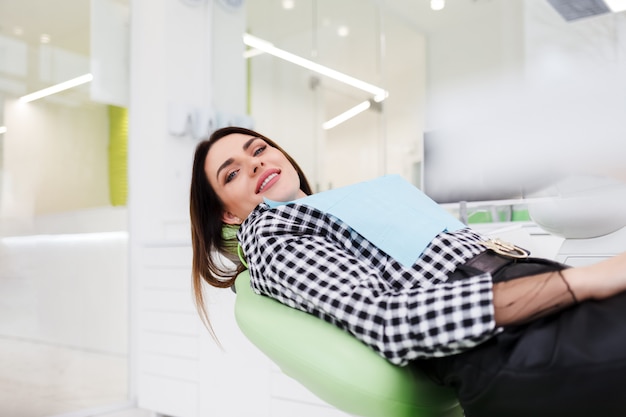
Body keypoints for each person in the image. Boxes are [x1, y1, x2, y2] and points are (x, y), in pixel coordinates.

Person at [189, 126, 626, 417]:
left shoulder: (341, 208)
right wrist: (582, 280)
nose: (255, 164)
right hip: (508, 345)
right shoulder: (271, 234)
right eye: (232, 174)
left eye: (259, 150)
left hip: (536, 308)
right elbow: (387, 319)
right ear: (228, 214)